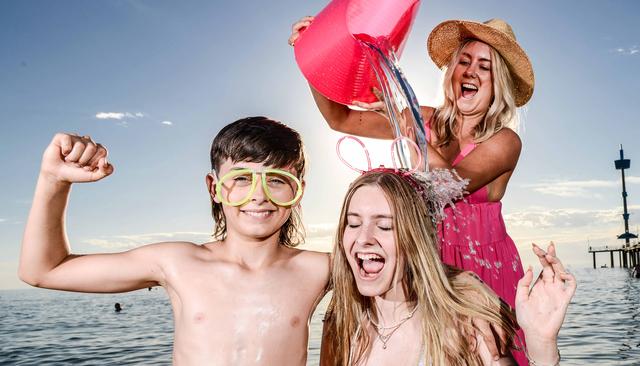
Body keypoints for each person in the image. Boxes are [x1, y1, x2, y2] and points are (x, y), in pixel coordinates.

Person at [18, 116, 330, 365]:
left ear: (298, 190)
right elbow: (43, 270)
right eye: (241, 179)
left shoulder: (319, 269)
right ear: (214, 188)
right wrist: (53, 179)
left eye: (276, 180)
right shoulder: (178, 263)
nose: (259, 196)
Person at [290, 15, 530, 314]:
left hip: (485, 269)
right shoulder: (423, 119)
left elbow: (449, 183)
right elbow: (340, 118)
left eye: (485, 67)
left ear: (499, 83)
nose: (471, 72)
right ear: (451, 70)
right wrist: (313, 54)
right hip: (423, 260)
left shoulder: (505, 141)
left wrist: (402, 120)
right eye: (464, 62)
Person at [321, 170, 576, 365]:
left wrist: (541, 344)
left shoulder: (464, 324)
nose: (363, 237)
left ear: (417, 238)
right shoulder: (342, 325)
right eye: (353, 224)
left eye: (385, 226)